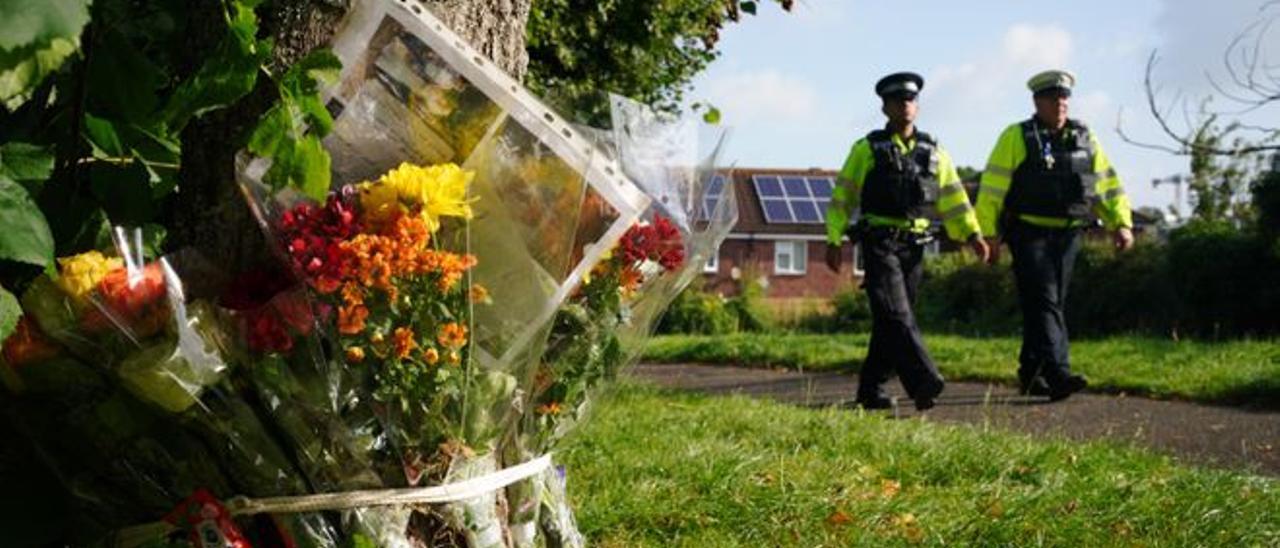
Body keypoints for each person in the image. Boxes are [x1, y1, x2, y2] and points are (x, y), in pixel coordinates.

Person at [825, 71, 990, 411]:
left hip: (915, 245)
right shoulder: (867, 149)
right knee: (897, 313)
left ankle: (870, 390)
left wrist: (973, 234)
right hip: (879, 242)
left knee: (893, 319)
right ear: (885, 108)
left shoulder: (934, 152)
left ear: (917, 105)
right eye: (898, 100)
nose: (906, 105)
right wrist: (833, 238)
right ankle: (923, 381)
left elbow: (954, 197)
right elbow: (843, 197)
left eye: (911, 99)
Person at [974, 69, 1134, 401]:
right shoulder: (1016, 137)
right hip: (1028, 232)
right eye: (1052, 97)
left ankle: (1031, 373)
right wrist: (987, 234)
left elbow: (1104, 184)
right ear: (1037, 101)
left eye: (1064, 97)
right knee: (1045, 299)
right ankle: (1058, 372)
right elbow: (991, 190)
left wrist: (1121, 222)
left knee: (1047, 303)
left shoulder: (1086, 138)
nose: (1060, 103)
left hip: (1069, 235)